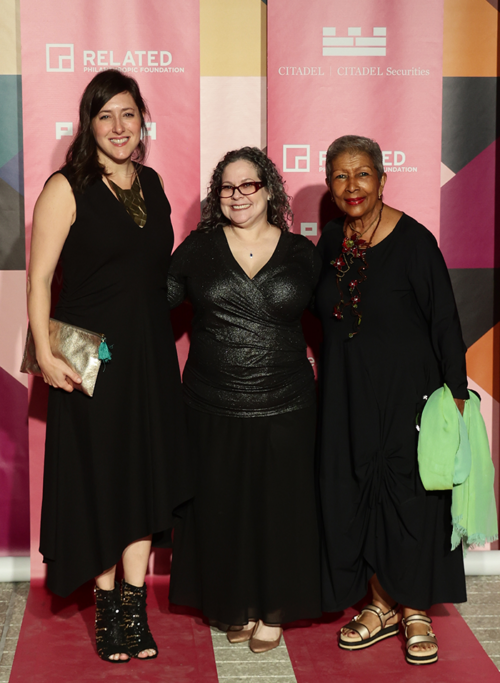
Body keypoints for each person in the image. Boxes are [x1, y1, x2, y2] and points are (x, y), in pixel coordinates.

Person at [27, 69, 191, 663]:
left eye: (128, 114)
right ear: (88, 124)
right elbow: (40, 278)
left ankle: (133, 609)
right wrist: (45, 354)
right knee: (101, 483)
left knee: (143, 480)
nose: (119, 127)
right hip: (88, 358)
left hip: (147, 358)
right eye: (105, 116)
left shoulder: (152, 182)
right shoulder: (66, 187)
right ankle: (105, 614)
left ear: (142, 119)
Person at [315, 135, 467, 665]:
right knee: (360, 490)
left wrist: (455, 394)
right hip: (347, 394)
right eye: (340, 175)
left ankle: (416, 608)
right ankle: (379, 605)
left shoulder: (416, 241)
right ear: (330, 184)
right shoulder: (331, 241)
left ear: (382, 180)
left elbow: (445, 320)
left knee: (411, 499)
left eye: (362, 174)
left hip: (410, 395)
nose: (351, 185)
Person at [167, 147, 322, 653]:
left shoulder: (302, 252)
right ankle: (235, 603)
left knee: (280, 509)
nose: (237, 196)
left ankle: (272, 608)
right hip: (212, 402)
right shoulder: (196, 248)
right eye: (227, 188)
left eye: (248, 185)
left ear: (269, 189)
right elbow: (150, 303)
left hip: (287, 402)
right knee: (222, 508)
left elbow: (340, 315)